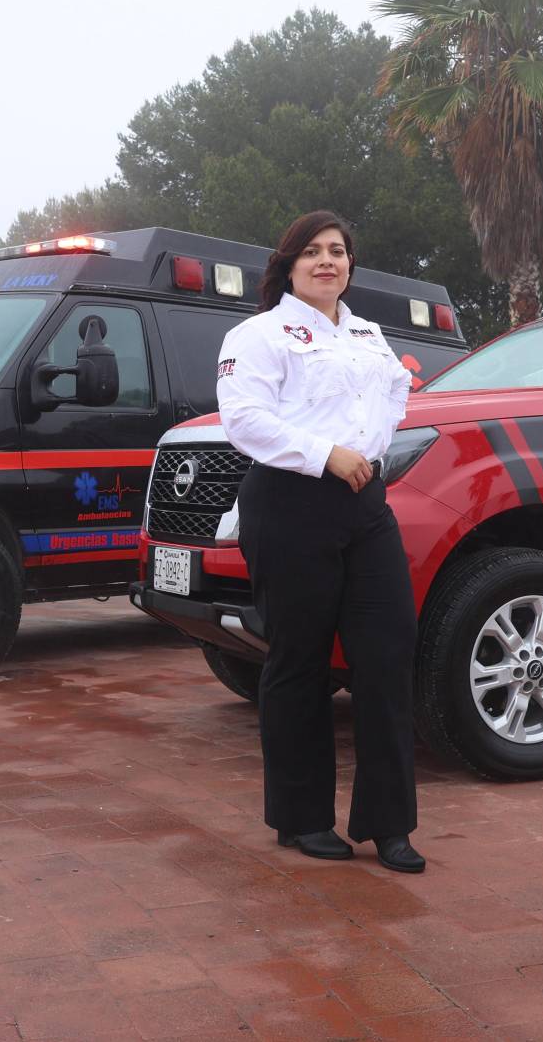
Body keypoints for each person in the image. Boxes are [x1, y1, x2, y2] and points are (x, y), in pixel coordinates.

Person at [214, 210, 424, 874]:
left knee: (388, 652)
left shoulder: (367, 333)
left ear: (350, 265)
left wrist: (369, 449)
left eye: (337, 250)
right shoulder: (257, 335)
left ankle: (389, 824)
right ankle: (301, 817)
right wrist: (325, 453)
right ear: (289, 265)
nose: (327, 261)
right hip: (290, 501)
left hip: (364, 502)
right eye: (312, 252)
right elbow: (243, 419)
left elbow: (397, 390)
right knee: (299, 659)